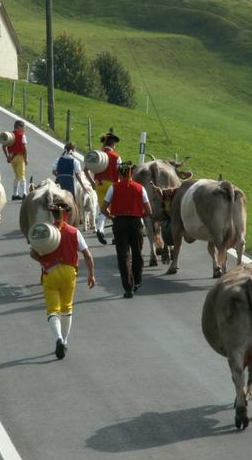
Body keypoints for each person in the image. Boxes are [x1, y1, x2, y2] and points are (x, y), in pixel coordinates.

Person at [29, 202, 96, 359]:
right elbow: (87, 255)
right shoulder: (74, 232)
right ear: (66, 214)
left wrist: (39, 258)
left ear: (53, 214)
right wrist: (91, 275)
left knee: (53, 310)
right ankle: (64, 341)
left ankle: (58, 338)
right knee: (67, 308)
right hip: (69, 272)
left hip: (50, 273)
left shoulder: (45, 232)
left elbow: (35, 254)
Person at [100, 161, 152, 298]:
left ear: (120, 173)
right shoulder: (140, 188)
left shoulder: (113, 187)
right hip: (135, 223)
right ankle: (138, 281)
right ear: (132, 173)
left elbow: (103, 208)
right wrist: (139, 215)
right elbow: (149, 210)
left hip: (119, 222)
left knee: (123, 256)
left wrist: (111, 216)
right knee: (137, 253)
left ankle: (128, 288)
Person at [84, 129, 121, 244]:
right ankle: (116, 236)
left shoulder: (97, 155)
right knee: (115, 210)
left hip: (99, 184)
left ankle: (100, 229)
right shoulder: (116, 157)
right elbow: (120, 172)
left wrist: (92, 183)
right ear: (113, 144)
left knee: (103, 209)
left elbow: (85, 170)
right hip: (112, 184)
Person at [2, 120, 29, 200]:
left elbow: (4, 146)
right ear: (19, 127)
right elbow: (24, 148)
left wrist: (7, 156)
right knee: (22, 175)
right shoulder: (22, 135)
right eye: (24, 127)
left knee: (17, 175)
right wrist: (26, 158)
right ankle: (24, 193)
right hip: (20, 157)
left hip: (12, 158)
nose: (24, 129)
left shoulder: (10, 135)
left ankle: (15, 194)